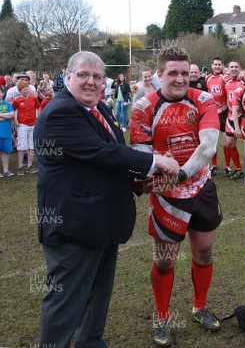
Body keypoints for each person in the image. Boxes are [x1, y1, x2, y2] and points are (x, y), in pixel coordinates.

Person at [34, 51, 179, 347]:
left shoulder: (99, 108)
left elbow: (106, 162)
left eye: (97, 76)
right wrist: (155, 162)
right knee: (64, 305)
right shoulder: (61, 111)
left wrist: (138, 182)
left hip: (102, 222)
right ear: (67, 76)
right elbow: (103, 153)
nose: (91, 82)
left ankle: (92, 342)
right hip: (74, 226)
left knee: (97, 299)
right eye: (83, 75)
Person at [130, 46, 223, 346]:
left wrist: (182, 173)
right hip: (167, 195)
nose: (181, 79)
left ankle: (199, 307)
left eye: (185, 72)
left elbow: (208, 146)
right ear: (159, 75)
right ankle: (162, 317)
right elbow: (141, 156)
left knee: (204, 252)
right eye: (173, 73)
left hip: (200, 187)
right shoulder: (143, 107)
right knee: (166, 261)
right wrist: (156, 173)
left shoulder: (204, 100)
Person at [205, 57, 228, 175]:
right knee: (213, 140)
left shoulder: (226, 78)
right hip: (212, 113)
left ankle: (227, 166)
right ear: (212, 65)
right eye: (215, 64)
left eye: (219, 64)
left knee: (227, 141)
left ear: (223, 65)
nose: (217, 66)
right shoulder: (207, 78)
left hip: (224, 112)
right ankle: (214, 165)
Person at [12, 80, 41, 175]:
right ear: (20, 91)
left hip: (33, 124)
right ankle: (20, 167)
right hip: (22, 125)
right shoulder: (17, 101)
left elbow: (38, 107)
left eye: (27, 89)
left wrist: (37, 118)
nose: (26, 91)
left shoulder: (33, 99)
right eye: (24, 90)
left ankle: (30, 165)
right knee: (21, 146)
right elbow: (13, 111)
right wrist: (15, 120)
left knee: (31, 146)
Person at [223, 61, 244, 179]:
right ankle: (238, 168)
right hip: (231, 115)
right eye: (232, 67)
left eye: (236, 67)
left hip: (244, 116)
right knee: (230, 143)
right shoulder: (225, 81)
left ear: (240, 68)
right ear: (228, 69)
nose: (234, 69)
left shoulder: (244, 80)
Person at [0, 87, 15, 177]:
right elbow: (8, 115)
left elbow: (11, 115)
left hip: (6, 133)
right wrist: (6, 116)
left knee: (6, 152)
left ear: (2, 93)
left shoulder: (7, 104)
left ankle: (6, 170)